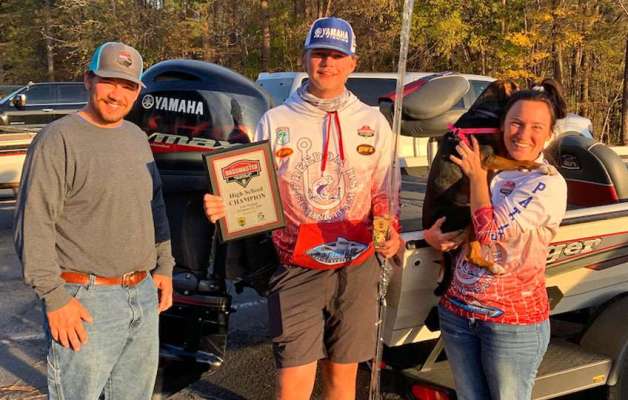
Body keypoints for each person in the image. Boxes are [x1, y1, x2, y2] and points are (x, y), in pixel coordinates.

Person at [204, 17, 402, 400]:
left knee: (342, 377)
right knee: (293, 382)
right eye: (319, 54)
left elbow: (383, 190)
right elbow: (255, 193)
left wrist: (389, 230)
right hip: (296, 265)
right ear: (305, 58)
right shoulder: (275, 120)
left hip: (357, 264)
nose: (327, 63)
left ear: (352, 63)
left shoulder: (372, 122)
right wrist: (230, 206)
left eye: (336, 55)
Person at [14, 42, 175, 400]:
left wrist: (164, 265)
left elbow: (155, 206)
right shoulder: (58, 139)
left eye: (128, 85)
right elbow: (34, 224)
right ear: (88, 79)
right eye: (109, 81)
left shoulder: (136, 137)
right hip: (85, 299)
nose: (117, 94)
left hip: (142, 294)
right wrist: (54, 298)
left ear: (138, 91)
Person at [424, 79, 568, 400]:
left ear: (549, 134)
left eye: (536, 127)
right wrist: (432, 234)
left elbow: (488, 232)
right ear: (501, 124)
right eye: (516, 123)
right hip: (457, 313)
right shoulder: (492, 164)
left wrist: (477, 176)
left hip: (511, 324)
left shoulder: (546, 182)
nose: (523, 133)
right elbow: (458, 208)